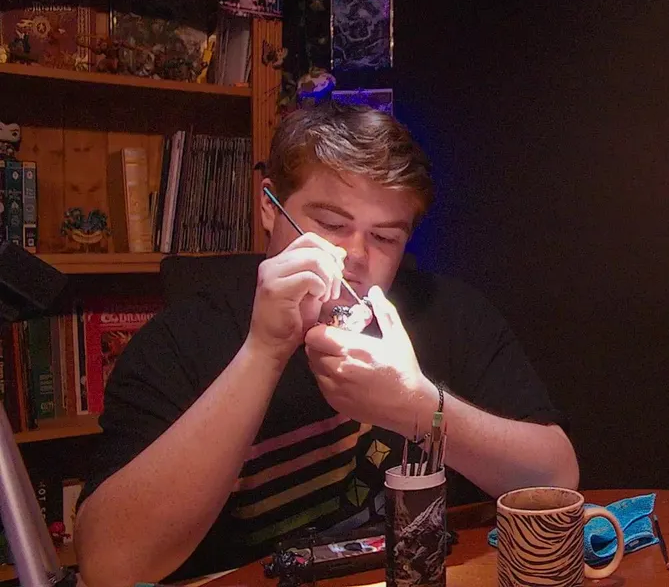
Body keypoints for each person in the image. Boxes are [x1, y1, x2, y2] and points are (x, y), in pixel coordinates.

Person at [76, 104, 579, 587]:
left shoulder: (451, 313)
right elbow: (108, 567)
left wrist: (420, 406)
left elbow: (557, 477)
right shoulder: (179, 343)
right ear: (270, 206)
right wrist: (264, 351)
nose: (354, 255)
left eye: (385, 238)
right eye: (332, 225)